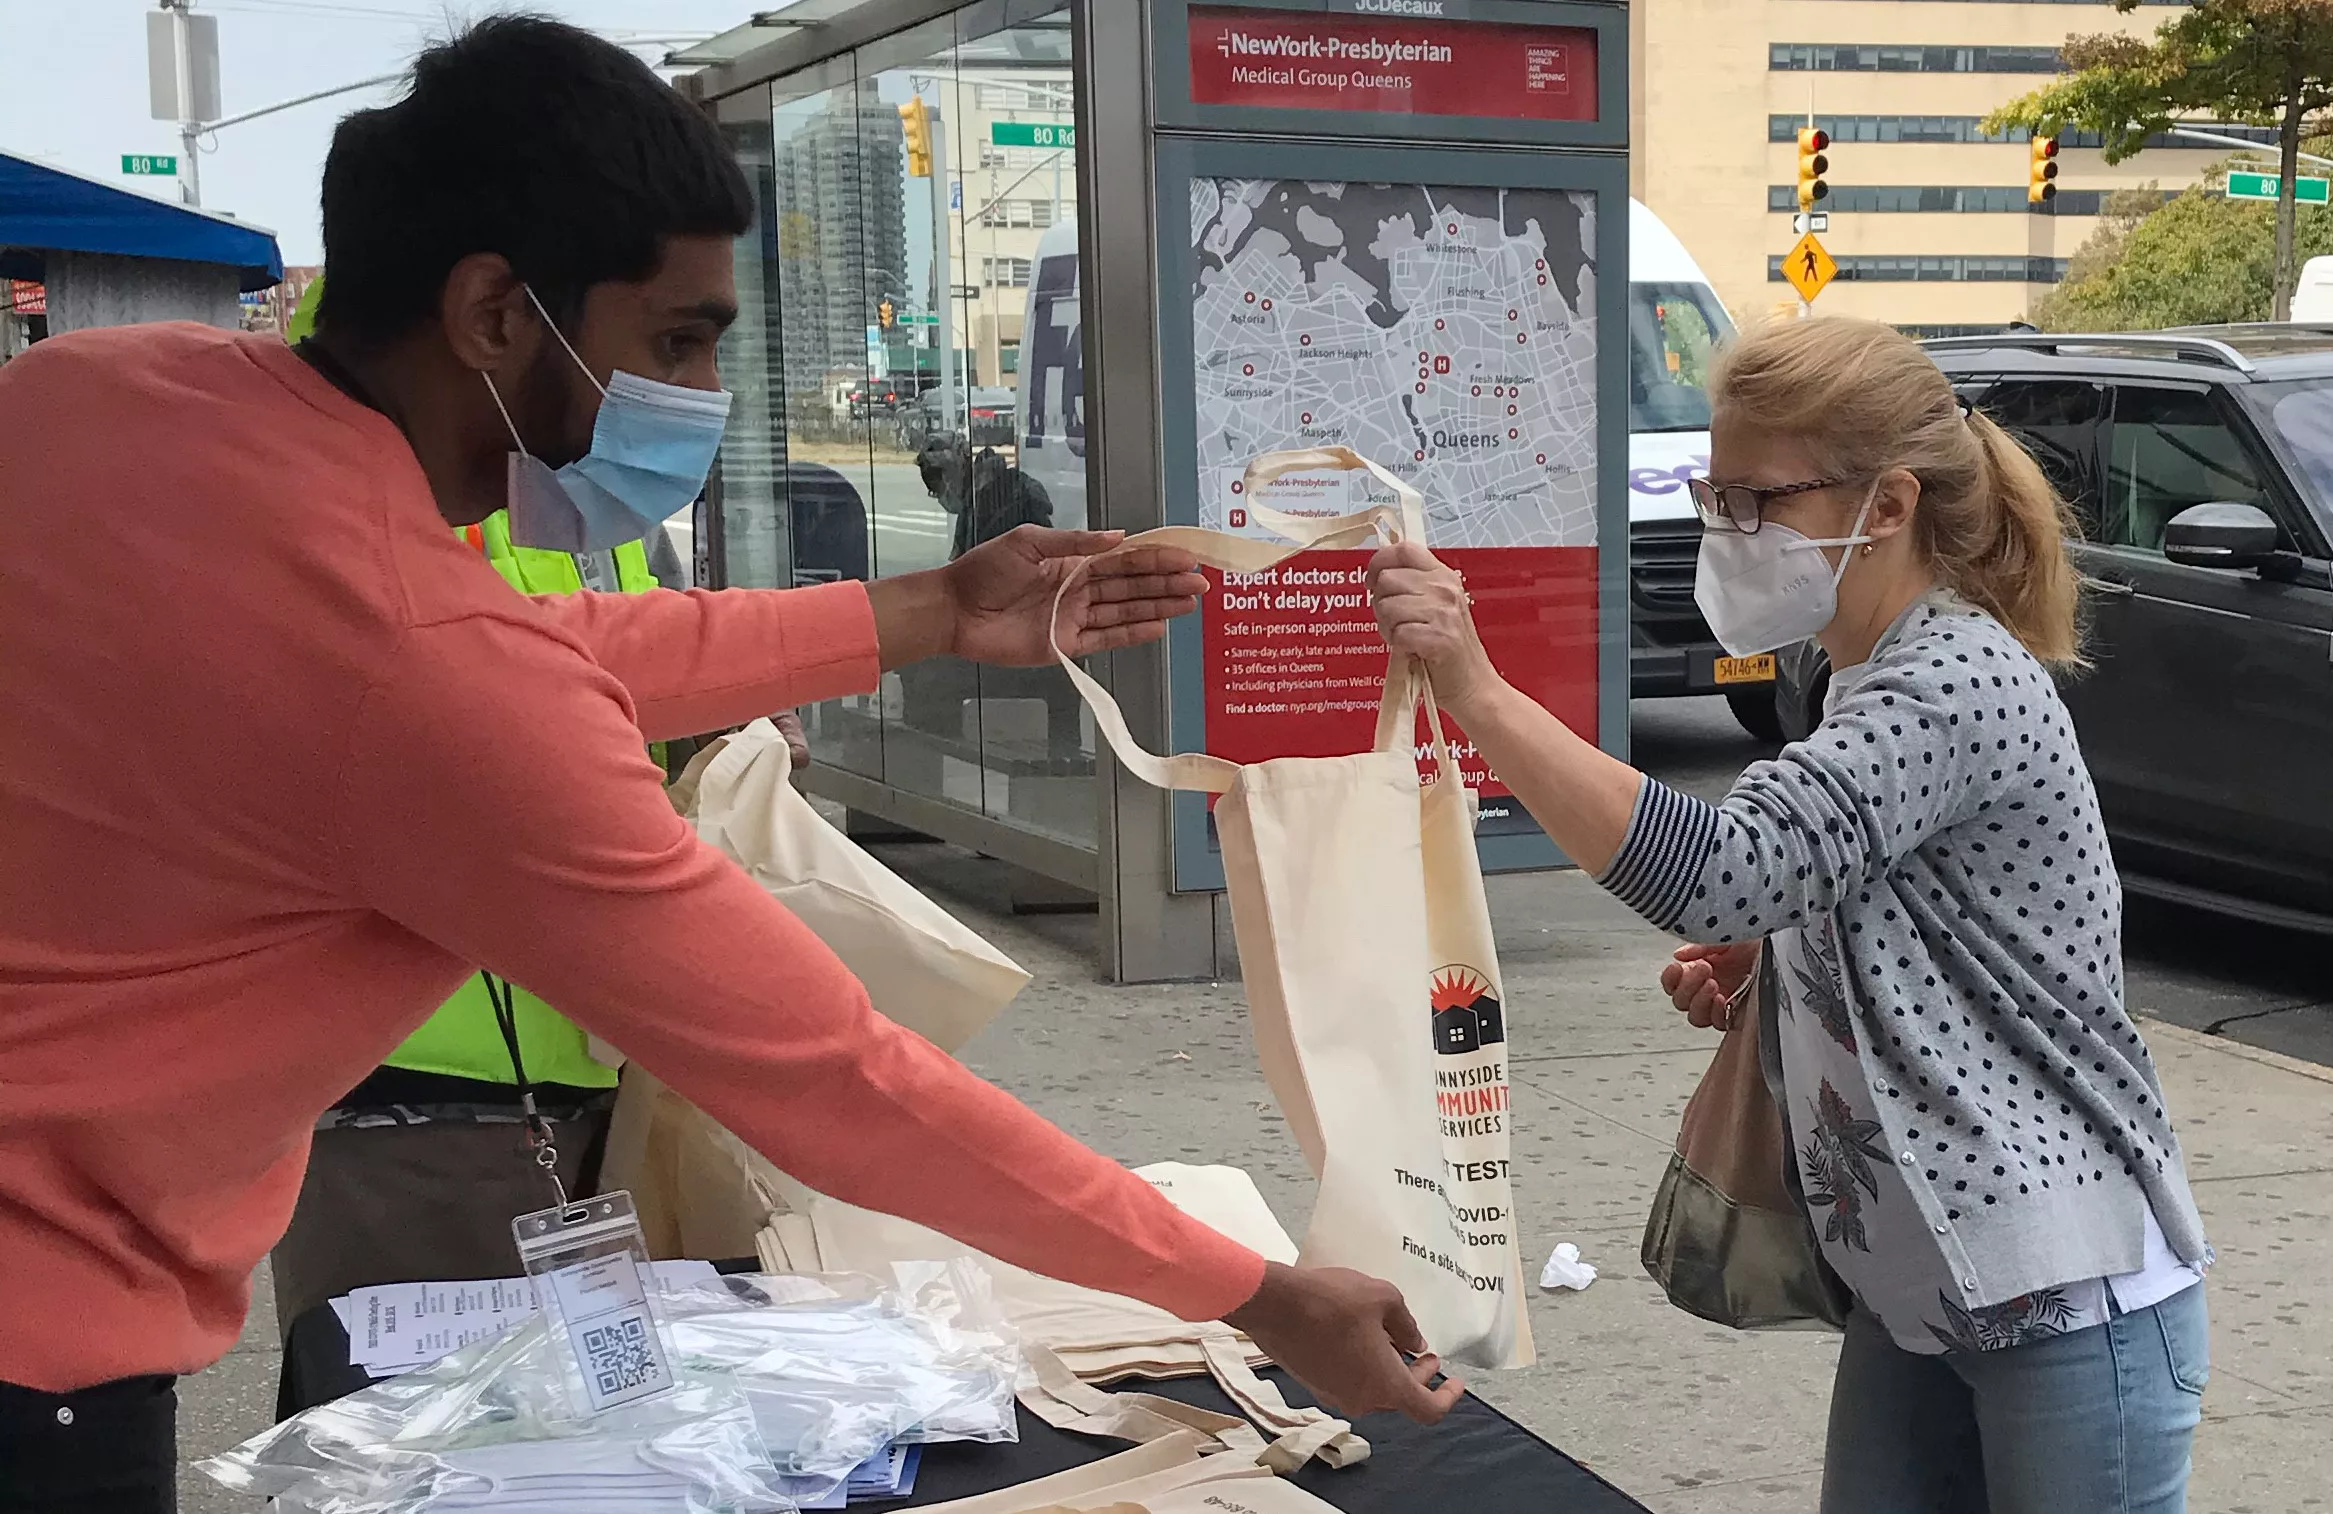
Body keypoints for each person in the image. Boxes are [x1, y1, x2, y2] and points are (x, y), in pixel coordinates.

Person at [0, 19, 1457, 1509]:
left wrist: (928, 609)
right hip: (37, 1336)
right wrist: (1256, 1289)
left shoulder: (92, 402)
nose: (696, 395)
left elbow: (516, 647)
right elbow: (835, 1075)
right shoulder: (423, 668)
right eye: (677, 341)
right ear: (496, 312)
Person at [1369, 316, 2210, 1513]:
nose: (1726, 530)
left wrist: (1478, 691)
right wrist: (1779, 963)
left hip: (2069, 1296)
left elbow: (1727, 863)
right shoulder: (1852, 672)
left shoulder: (1952, 679)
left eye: (1758, 499)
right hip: (1924, 1288)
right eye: (1716, 495)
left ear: (1890, 501)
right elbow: (1857, 892)